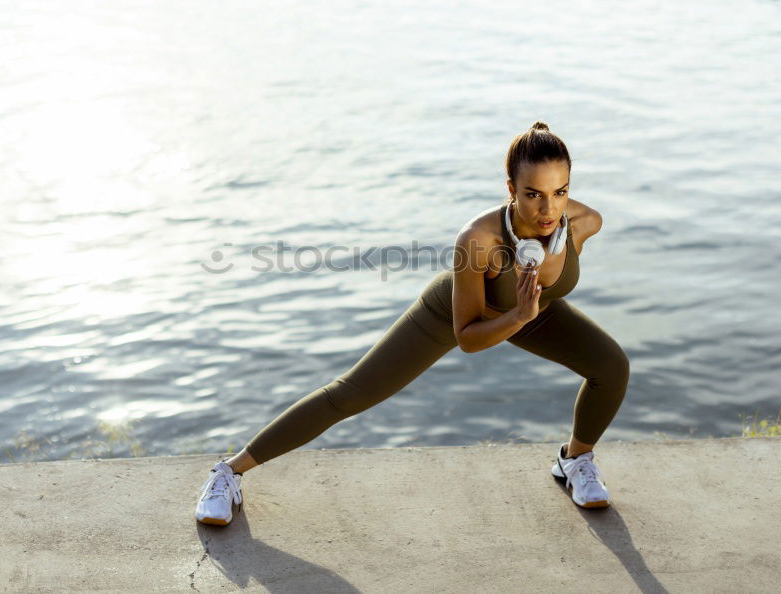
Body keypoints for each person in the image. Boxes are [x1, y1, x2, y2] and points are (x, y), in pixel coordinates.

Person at [195, 121, 630, 525]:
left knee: (611, 366)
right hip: (458, 314)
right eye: (533, 193)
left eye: (560, 192)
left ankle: (575, 460)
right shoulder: (478, 240)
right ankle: (229, 472)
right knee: (351, 394)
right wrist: (517, 315)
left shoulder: (584, 223)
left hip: (531, 310)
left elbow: (550, 285)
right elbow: (469, 339)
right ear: (511, 189)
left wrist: (526, 311)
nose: (548, 208)